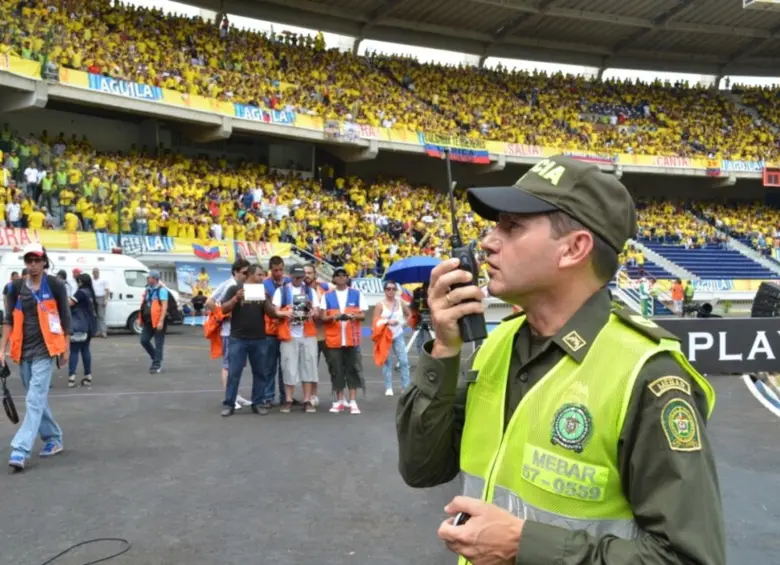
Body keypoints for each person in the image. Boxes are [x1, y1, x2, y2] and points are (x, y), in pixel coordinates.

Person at [395, 156, 725, 565]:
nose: (487, 241)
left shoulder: (648, 376)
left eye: (511, 226)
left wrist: (524, 546)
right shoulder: (495, 346)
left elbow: (689, 558)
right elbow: (421, 468)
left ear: (574, 248)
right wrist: (444, 351)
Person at [1, 243, 71, 472]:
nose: (32, 264)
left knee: (33, 399)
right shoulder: (15, 287)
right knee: (37, 397)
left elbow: (65, 317)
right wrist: (2, 349)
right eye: (29, 260)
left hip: (46, 350)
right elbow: (8, 321)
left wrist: (65, 348)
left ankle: (20, 450)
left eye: (36, 260)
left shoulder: (55, 285)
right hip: (23, 351)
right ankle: (53, 438)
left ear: (44, 262)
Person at [220, 264, 279, 417]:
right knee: (234, 372)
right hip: (238, 338)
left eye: (263, 275)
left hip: (259, 338)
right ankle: (229, 404)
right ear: (250, 275)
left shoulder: (262, 291)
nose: (262, 278)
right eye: (259, 275)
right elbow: (223, 309)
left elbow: (271, 313)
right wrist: (235, 299)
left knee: (260, 372)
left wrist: (268, 300)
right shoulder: (235, 289)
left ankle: (257, 403)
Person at [320, 267, 368, 415]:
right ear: (334, 279)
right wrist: (334, 317)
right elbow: (322, 317)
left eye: (344, 275)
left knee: (352, 369)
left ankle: (353, 401)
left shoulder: (356, 294)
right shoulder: (327, 295)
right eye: (338, 276)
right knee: (336, 370)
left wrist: (351, 316)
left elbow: (363, 315)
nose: (341, 278)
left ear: (347, 278)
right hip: (334, 339)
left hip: (351, 338)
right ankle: (340, 399)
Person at [273, 264, 319, 413]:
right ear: (290, 276)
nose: (298, 279)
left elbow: (317, 311)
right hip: (289, 334)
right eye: (295, 277)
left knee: (308, 366)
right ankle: (288, 399)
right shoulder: (282, 291)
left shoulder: (310, 291)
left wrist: (312, 312)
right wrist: (286, 313)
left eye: (301, 277)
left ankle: (307, 400)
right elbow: (275, 311)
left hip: (307, 333)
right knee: (288, 367)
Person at [205, 258, 251, 410]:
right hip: (228, 331)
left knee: (238, 365)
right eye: (244, 273)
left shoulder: (242, 285)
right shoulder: (229, 285)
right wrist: (222, 315)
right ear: (235, 272)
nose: (246, 275)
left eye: (248, 272)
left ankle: (235, 394)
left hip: (241, 330)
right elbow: (210, 302)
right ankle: (229, 396)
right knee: (228, 365)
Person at [372, 279, 411, 396]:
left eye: (393, 289)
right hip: (385, 335)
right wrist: (387, 321)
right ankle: (389, 387)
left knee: (404, 361)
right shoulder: (380, 304)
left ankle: (405, 386)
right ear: (384, 290)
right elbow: (375, 320)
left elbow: (409, 314)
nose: (391, 291)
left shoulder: (400, 303)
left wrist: (405, 322)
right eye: (388, 289)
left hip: (398, 335)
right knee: (387, 362)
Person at [67, 273, 97, 388]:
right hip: (89, 325)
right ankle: (88, 376)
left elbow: (70, 303)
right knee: (85, 350)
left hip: (79, 325)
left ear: (80, 282)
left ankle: (71, 377)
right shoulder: (90, 293)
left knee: (74, 350)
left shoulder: (80, 292)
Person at [138, 270, 168, 374]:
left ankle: (156, 364)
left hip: (158, 321)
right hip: (148, 320)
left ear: (155, 278)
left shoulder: (162, 291)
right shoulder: (148, 290)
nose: (147, 279)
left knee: (158, 343)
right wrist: (140, 318)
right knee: (144, 340)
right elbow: (144, 305)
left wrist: (161, 321)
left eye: (149, 277)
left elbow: (164, 307)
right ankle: (156, 357)